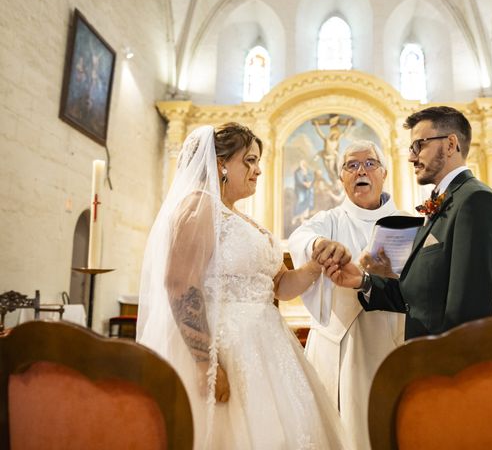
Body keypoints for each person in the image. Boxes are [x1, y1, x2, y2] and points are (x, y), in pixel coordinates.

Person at [137, 123, 346, 448]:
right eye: (249, 160)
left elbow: (281, 286)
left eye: (258, 161)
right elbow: (180, 285)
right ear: (221, 163)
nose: (258, 170)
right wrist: (207, 364)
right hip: (223, 350)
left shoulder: (239, 217)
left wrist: (316, 265)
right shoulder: (198, 207)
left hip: (266, 348)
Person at [323, 106, 492, 339]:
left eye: (418, 145)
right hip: (423, 355)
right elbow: (420, 297)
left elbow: (469, 310)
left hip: (446, 362)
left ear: (451, 144)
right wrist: (363, 281)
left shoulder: (475, 201)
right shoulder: (444, 203)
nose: (412, 156)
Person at [289, 140, 405, 450]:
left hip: (390, 338)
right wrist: (318, 247)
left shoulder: (409, 222)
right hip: (338, 343)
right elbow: (301, 236)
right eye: (351, 165)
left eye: (369, 164)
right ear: (342, 178)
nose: (360, 171)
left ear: (383, 173)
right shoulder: (329, 220)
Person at [291, 159, 314, 225]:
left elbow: (311, 178)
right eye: (302, 164)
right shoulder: (297, 172)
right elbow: (298, 180)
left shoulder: (308, 171)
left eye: (304, 164)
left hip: (307, 190)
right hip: (300, 189)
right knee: (301, 200)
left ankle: (303, 218)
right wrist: (305, 184)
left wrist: (309, 183)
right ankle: (297, 215)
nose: (303, 165)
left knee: (308, 201)